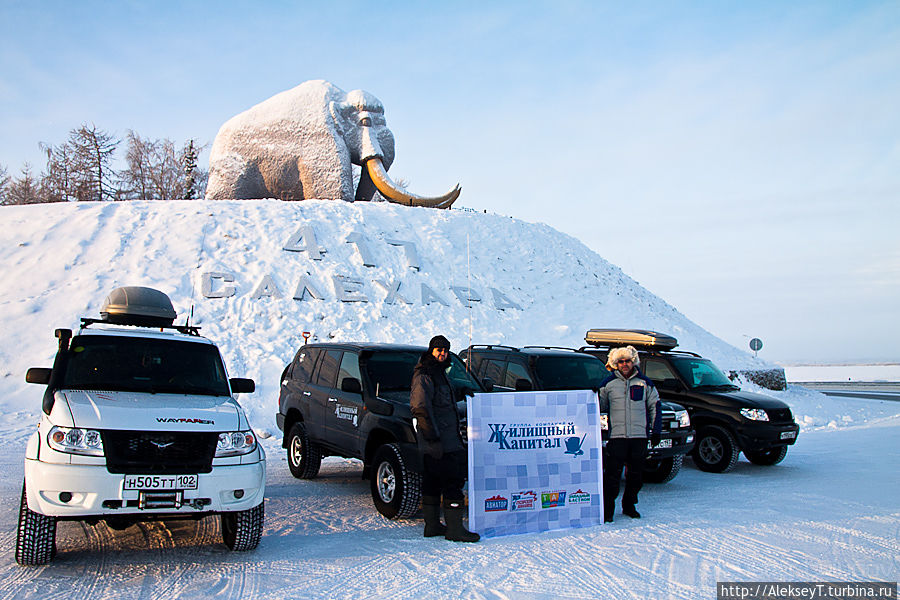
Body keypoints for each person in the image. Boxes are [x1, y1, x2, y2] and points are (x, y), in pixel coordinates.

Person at [410, 335, 479, 543]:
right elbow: (420, 408)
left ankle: (432, 526)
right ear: (431, 351)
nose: (442, 353)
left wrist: (462, 390)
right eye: (439, 350)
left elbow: (443, 397)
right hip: (440, 440)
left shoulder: (439, 373)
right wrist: (433, 439)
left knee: (432, 481)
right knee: (452, 481)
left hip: (443, 438)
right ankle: (455, 530)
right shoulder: (424, 375)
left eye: (445, 350)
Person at [598, 345, 661, 522]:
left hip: (639, 437)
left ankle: (629, 506)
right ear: (614, 364)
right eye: (621, 361)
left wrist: (655, 431)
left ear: (633, 362)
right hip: (617, 438)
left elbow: (655, 406)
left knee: (636, 476)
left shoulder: (645, 383)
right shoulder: (607, 385)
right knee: (612, 476)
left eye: (628, 361)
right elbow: (597, 407)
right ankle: (607, 509)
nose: (625, 364)